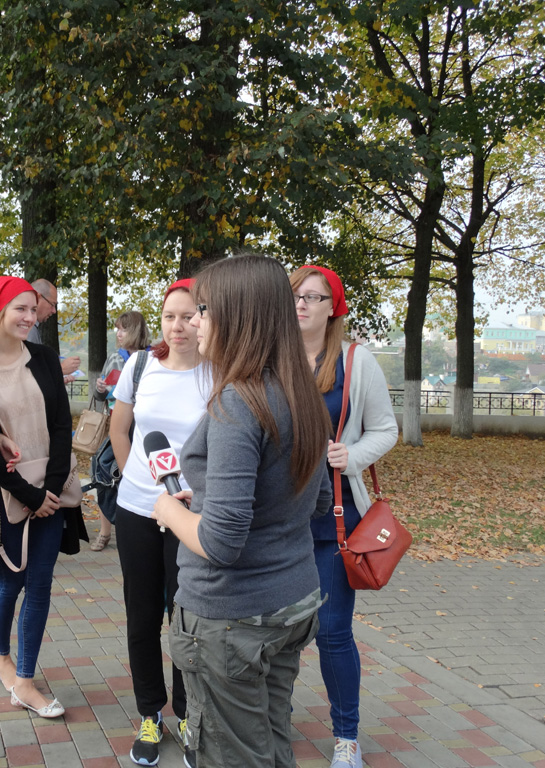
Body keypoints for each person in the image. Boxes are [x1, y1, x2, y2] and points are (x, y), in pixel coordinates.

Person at [152, 254, 333, 768]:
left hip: (232, 617)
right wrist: (208, 503)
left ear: (238, 315)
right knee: (271, 744)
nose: (194, 322)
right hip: (290, 602)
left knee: (234, 756)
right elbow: (314, 501)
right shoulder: (301, 392)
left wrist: (168, 509)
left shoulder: (238, 402)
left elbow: (222, 543)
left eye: (203, 309)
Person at [290, 265, 398, 768]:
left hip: (335, 517)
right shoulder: (273, 356)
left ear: (333, 307)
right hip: (281, 518)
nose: (302, 304)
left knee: (332, 631)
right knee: (279, 629)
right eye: (296, 295)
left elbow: (385, 429)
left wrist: (350, 456)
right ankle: (273, 717)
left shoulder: (356, 360)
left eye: (313, 297)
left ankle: (346, 738)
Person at [0, 275, 88, 720]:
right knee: (11, 581)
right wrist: (28, 494)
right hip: (7, 493)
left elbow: (61, 425)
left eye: (32, 309)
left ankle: (24, 680)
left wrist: (50, 491)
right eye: (20, 308)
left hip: (51, 491)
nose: (29, 317)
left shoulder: (43, 358)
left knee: (40, 583)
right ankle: (0, 657)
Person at [107, 281, 208, 767]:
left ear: (205, 318)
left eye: (188, 316)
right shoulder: (140, 365)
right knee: (142, 615)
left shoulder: (219, 371)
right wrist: (135, 479)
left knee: (185, 617)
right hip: (137, 510)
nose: (178, 326)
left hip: (191, 513)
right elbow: (118, 428)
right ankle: (150, 713)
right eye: (170, 316)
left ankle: (188, 714)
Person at [89, 310, 150, 551]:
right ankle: (105, 533)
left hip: (143, 429)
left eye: (123, 329)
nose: (118, 333)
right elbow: (100, 396)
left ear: (135, 330)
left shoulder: (153, 358)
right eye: (117, 329)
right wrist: (100, 388)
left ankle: (140, 528)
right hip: (116, 426)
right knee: (104, 475)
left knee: (139, 476)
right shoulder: (115, 357)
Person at [27, 278, 80, 379]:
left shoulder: (32, 328)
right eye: (52, 304)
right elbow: (28, 373)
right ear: (38, 298)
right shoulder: (27, 329)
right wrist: (60, 369)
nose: (54, 311)